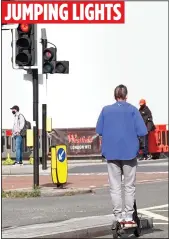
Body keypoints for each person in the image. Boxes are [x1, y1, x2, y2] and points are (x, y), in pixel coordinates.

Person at [96, 84, 147, 228]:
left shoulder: (106, 110)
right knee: (129, 186)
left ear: (114, 96)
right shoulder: (132, 110)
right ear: (126, 96)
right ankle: (129, 215)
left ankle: (118, 216)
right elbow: (142, 131)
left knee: (115, 186)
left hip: (111, 153)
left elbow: (99, 130)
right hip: (129, 153)